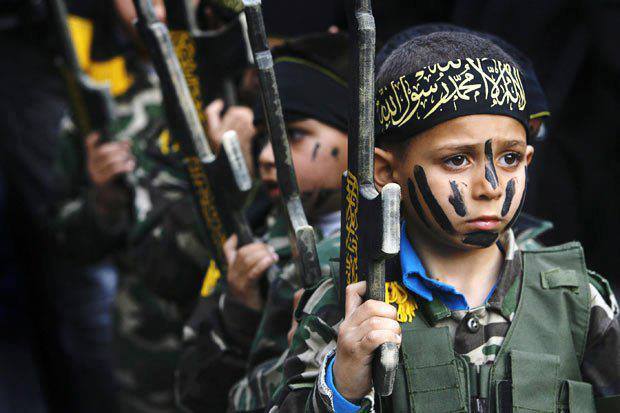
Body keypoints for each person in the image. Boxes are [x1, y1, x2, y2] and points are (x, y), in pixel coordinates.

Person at [271, 31, 620, 412]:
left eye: (510, 159)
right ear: (385, 170)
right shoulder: (347, 304)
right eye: (456, 160)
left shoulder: (577, 300)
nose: (490, 187)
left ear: (528, 160)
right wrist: (342, 387)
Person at [176, 32, 350, 412]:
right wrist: (240, 310)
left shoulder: (396, 246)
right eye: (262, 140)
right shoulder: (255, 239)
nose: (267, 157)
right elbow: (194, 395)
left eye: (295, 135)